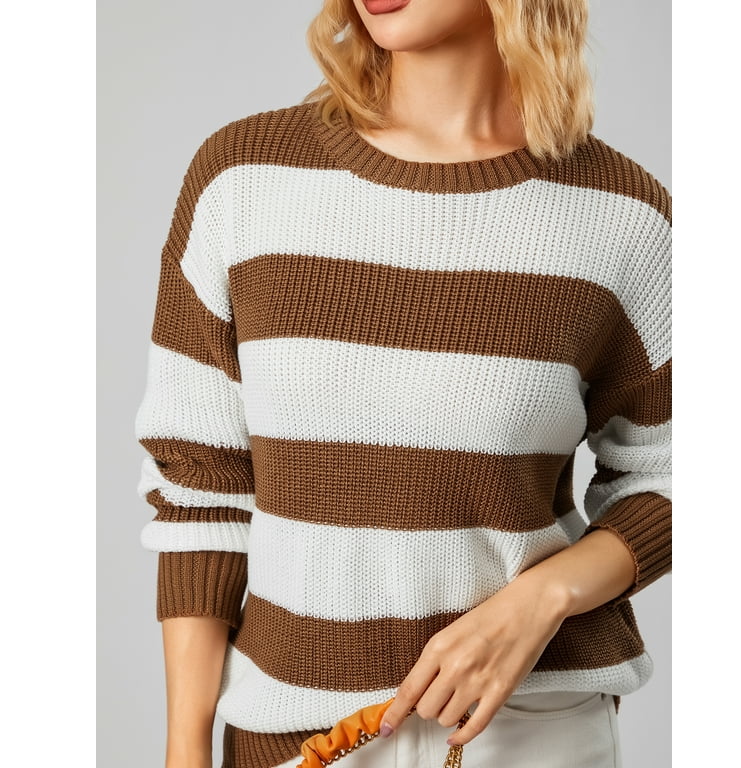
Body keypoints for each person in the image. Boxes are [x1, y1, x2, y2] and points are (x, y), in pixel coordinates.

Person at [134, 0, 671, 766]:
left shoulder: (622, 217)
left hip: (526, 734)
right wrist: (184, 750)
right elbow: (201, 487)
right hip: (297, 740)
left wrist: (543, 598)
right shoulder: (243, 181)